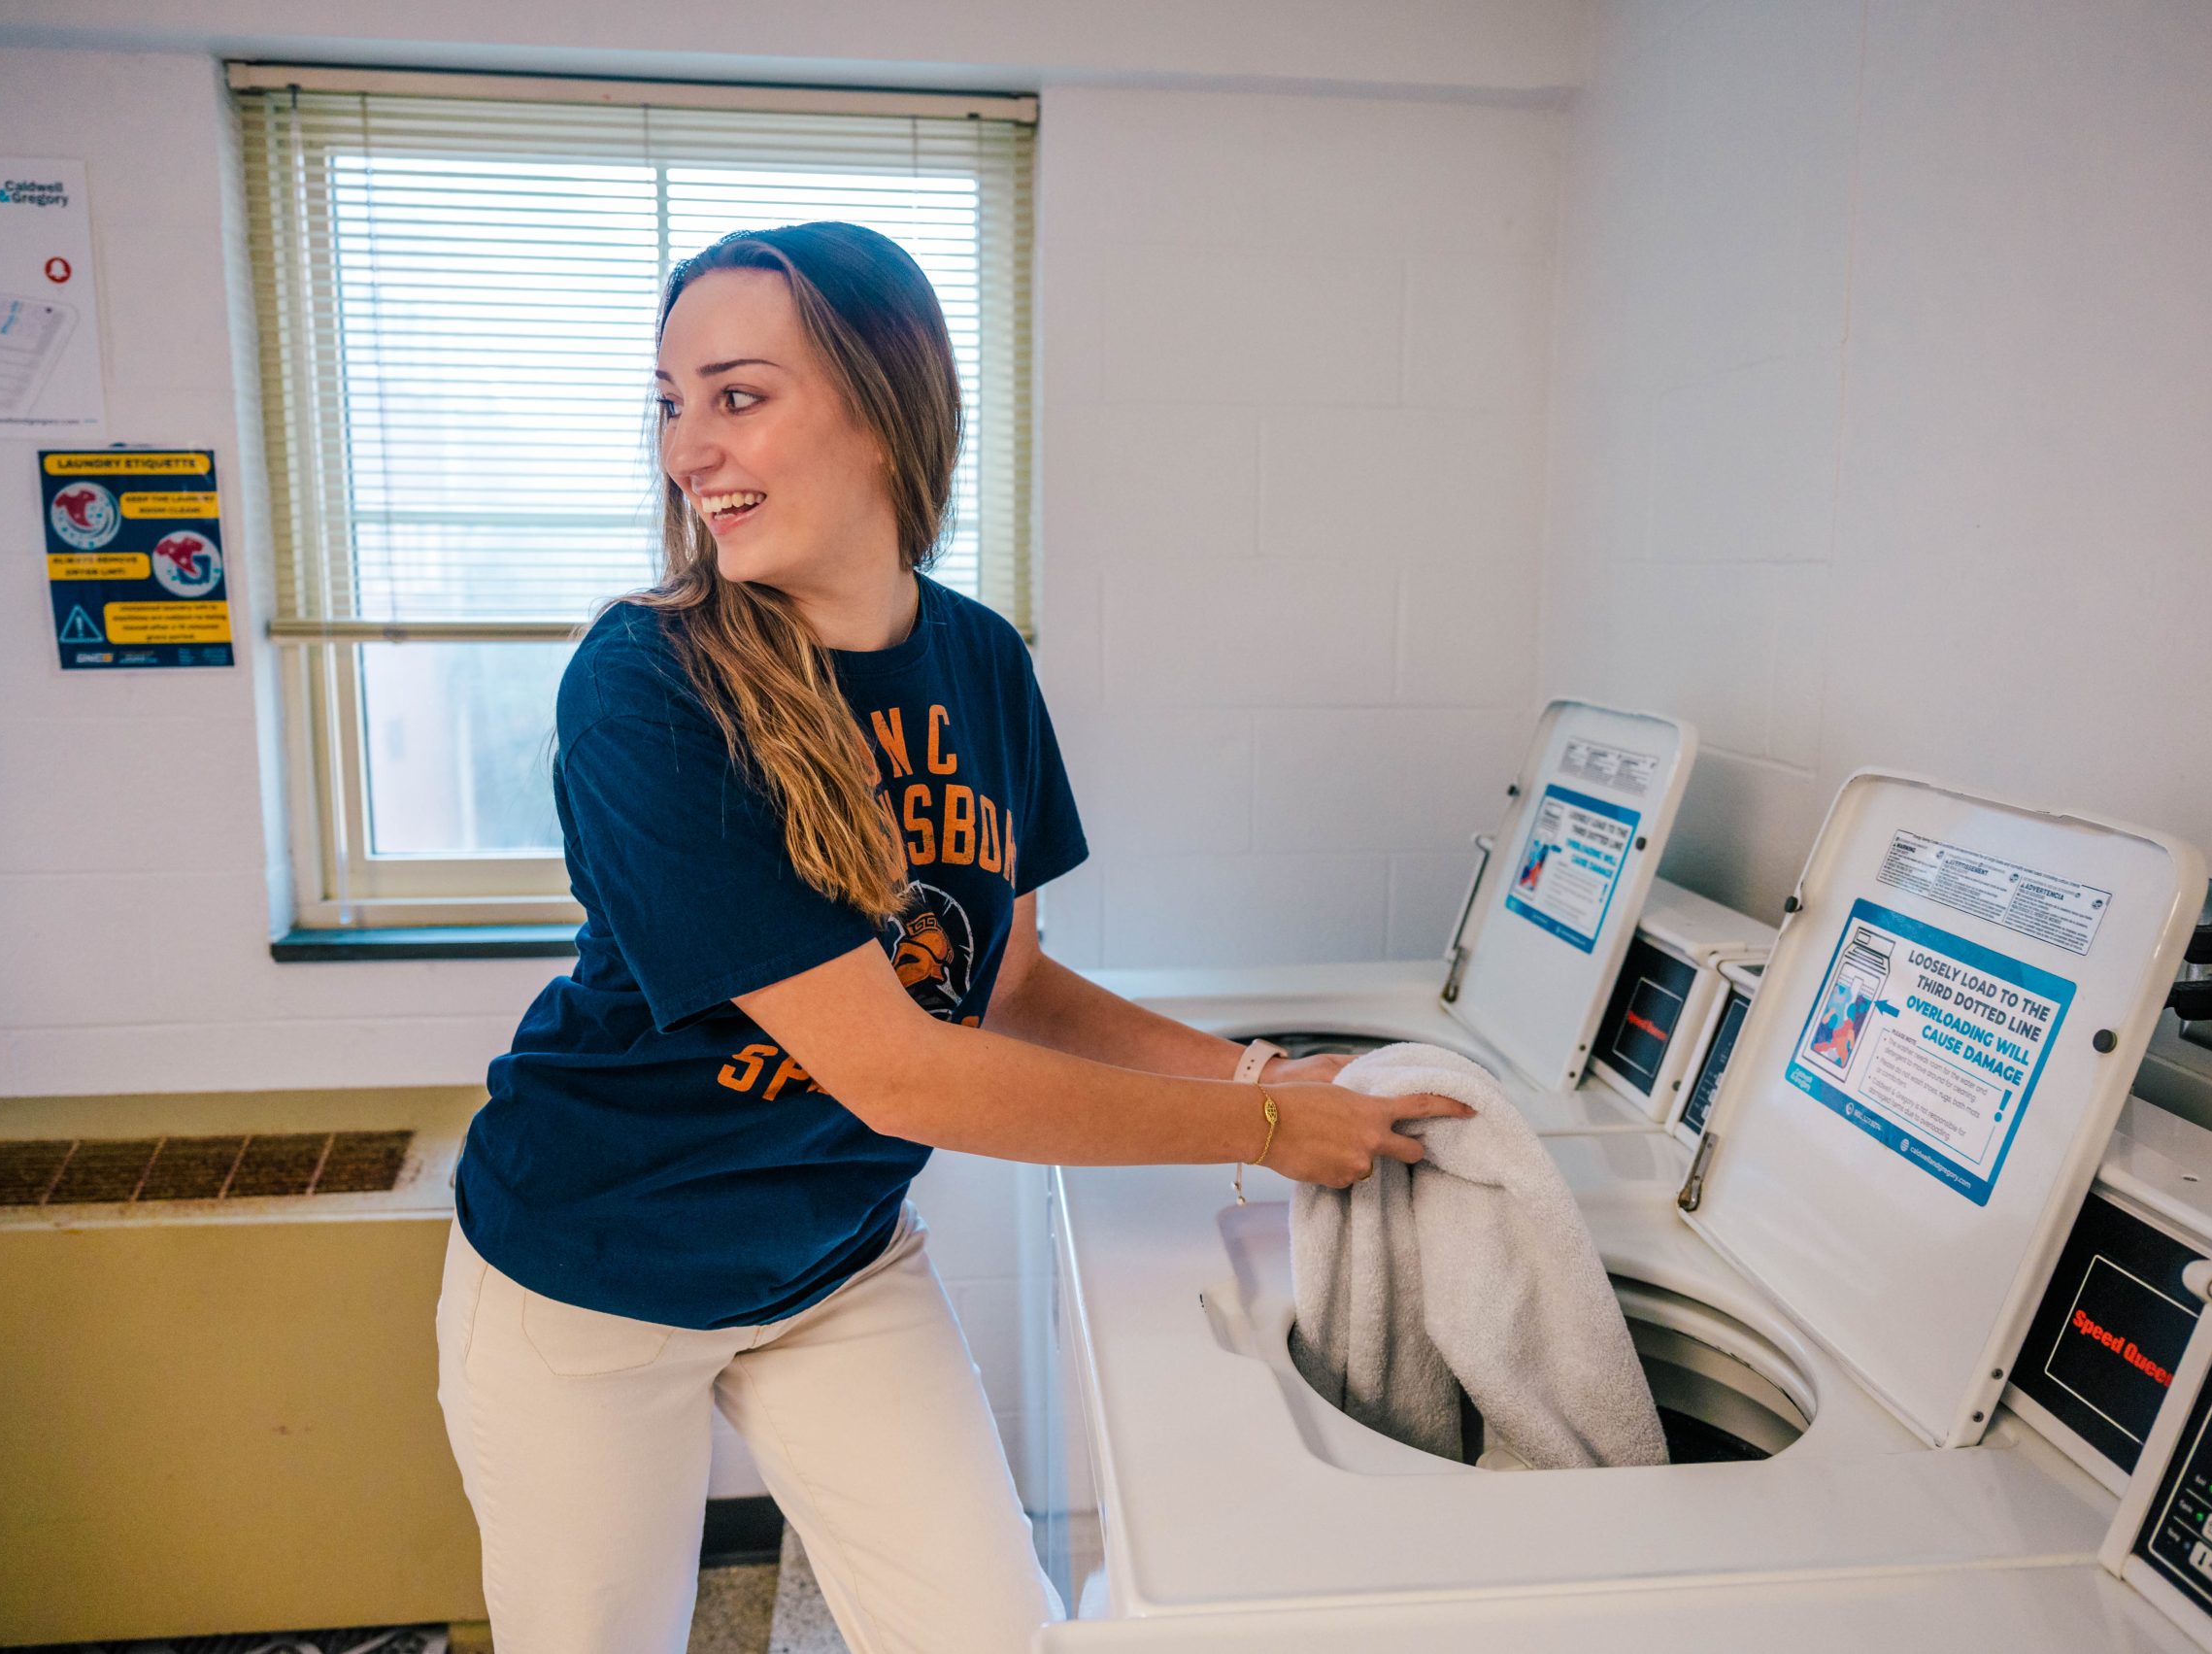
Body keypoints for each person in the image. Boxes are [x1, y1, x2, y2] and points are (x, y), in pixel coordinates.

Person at [434, 220, 1470, 1654]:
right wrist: (1263, 1132)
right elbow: (903, 1074)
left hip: (834, 1260)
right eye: (671, 406)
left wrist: (1261, 1078)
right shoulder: (646, 688)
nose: (687, 451)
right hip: (593, 1269)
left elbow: (1014, 980)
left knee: (990, 1632)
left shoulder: (980, 658)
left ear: (881, 405)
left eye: (737, 396)